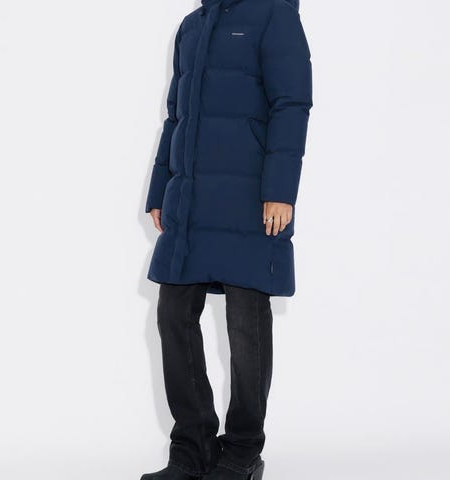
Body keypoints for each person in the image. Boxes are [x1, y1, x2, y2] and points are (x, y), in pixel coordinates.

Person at [142, 0, 312, 478]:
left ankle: (242, 451)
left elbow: (291, 103)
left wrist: (280, 191)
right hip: (190, 202)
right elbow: (175, 116)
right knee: (173, 314)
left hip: (250, 201)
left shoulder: (274, 14)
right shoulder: (191, 26)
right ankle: (191, 449)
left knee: (246, 324)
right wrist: (160, 188)